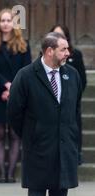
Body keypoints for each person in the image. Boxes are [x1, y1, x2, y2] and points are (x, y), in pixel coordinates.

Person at [8, 32, 82, 196]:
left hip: (65, 144)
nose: (68, 53)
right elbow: (14, 112)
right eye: (63, 49)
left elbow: (75, 110)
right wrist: (31, 135)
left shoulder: (72, 75)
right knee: (37, 193)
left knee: (60, 193)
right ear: (49, 51)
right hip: (38, 145)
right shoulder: (27, 75)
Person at [0, 9, 31, 182]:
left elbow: (26, 68)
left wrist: (13, 88)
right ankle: (1, 173)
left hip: (17, 94)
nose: (5, 23)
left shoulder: (23, 44)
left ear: (14, 23)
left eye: (8, 20)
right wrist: (5, 85)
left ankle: (10, 173)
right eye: (2, 20)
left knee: (14, 133)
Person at [50, 24, 87, 165]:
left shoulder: (75, 54)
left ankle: (76, 152)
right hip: (52, 100)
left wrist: (72, 97)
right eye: (55, 35)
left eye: (61, 35)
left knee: (74, 125)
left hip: (70, 100)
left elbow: (81, 80)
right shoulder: (46, 55)